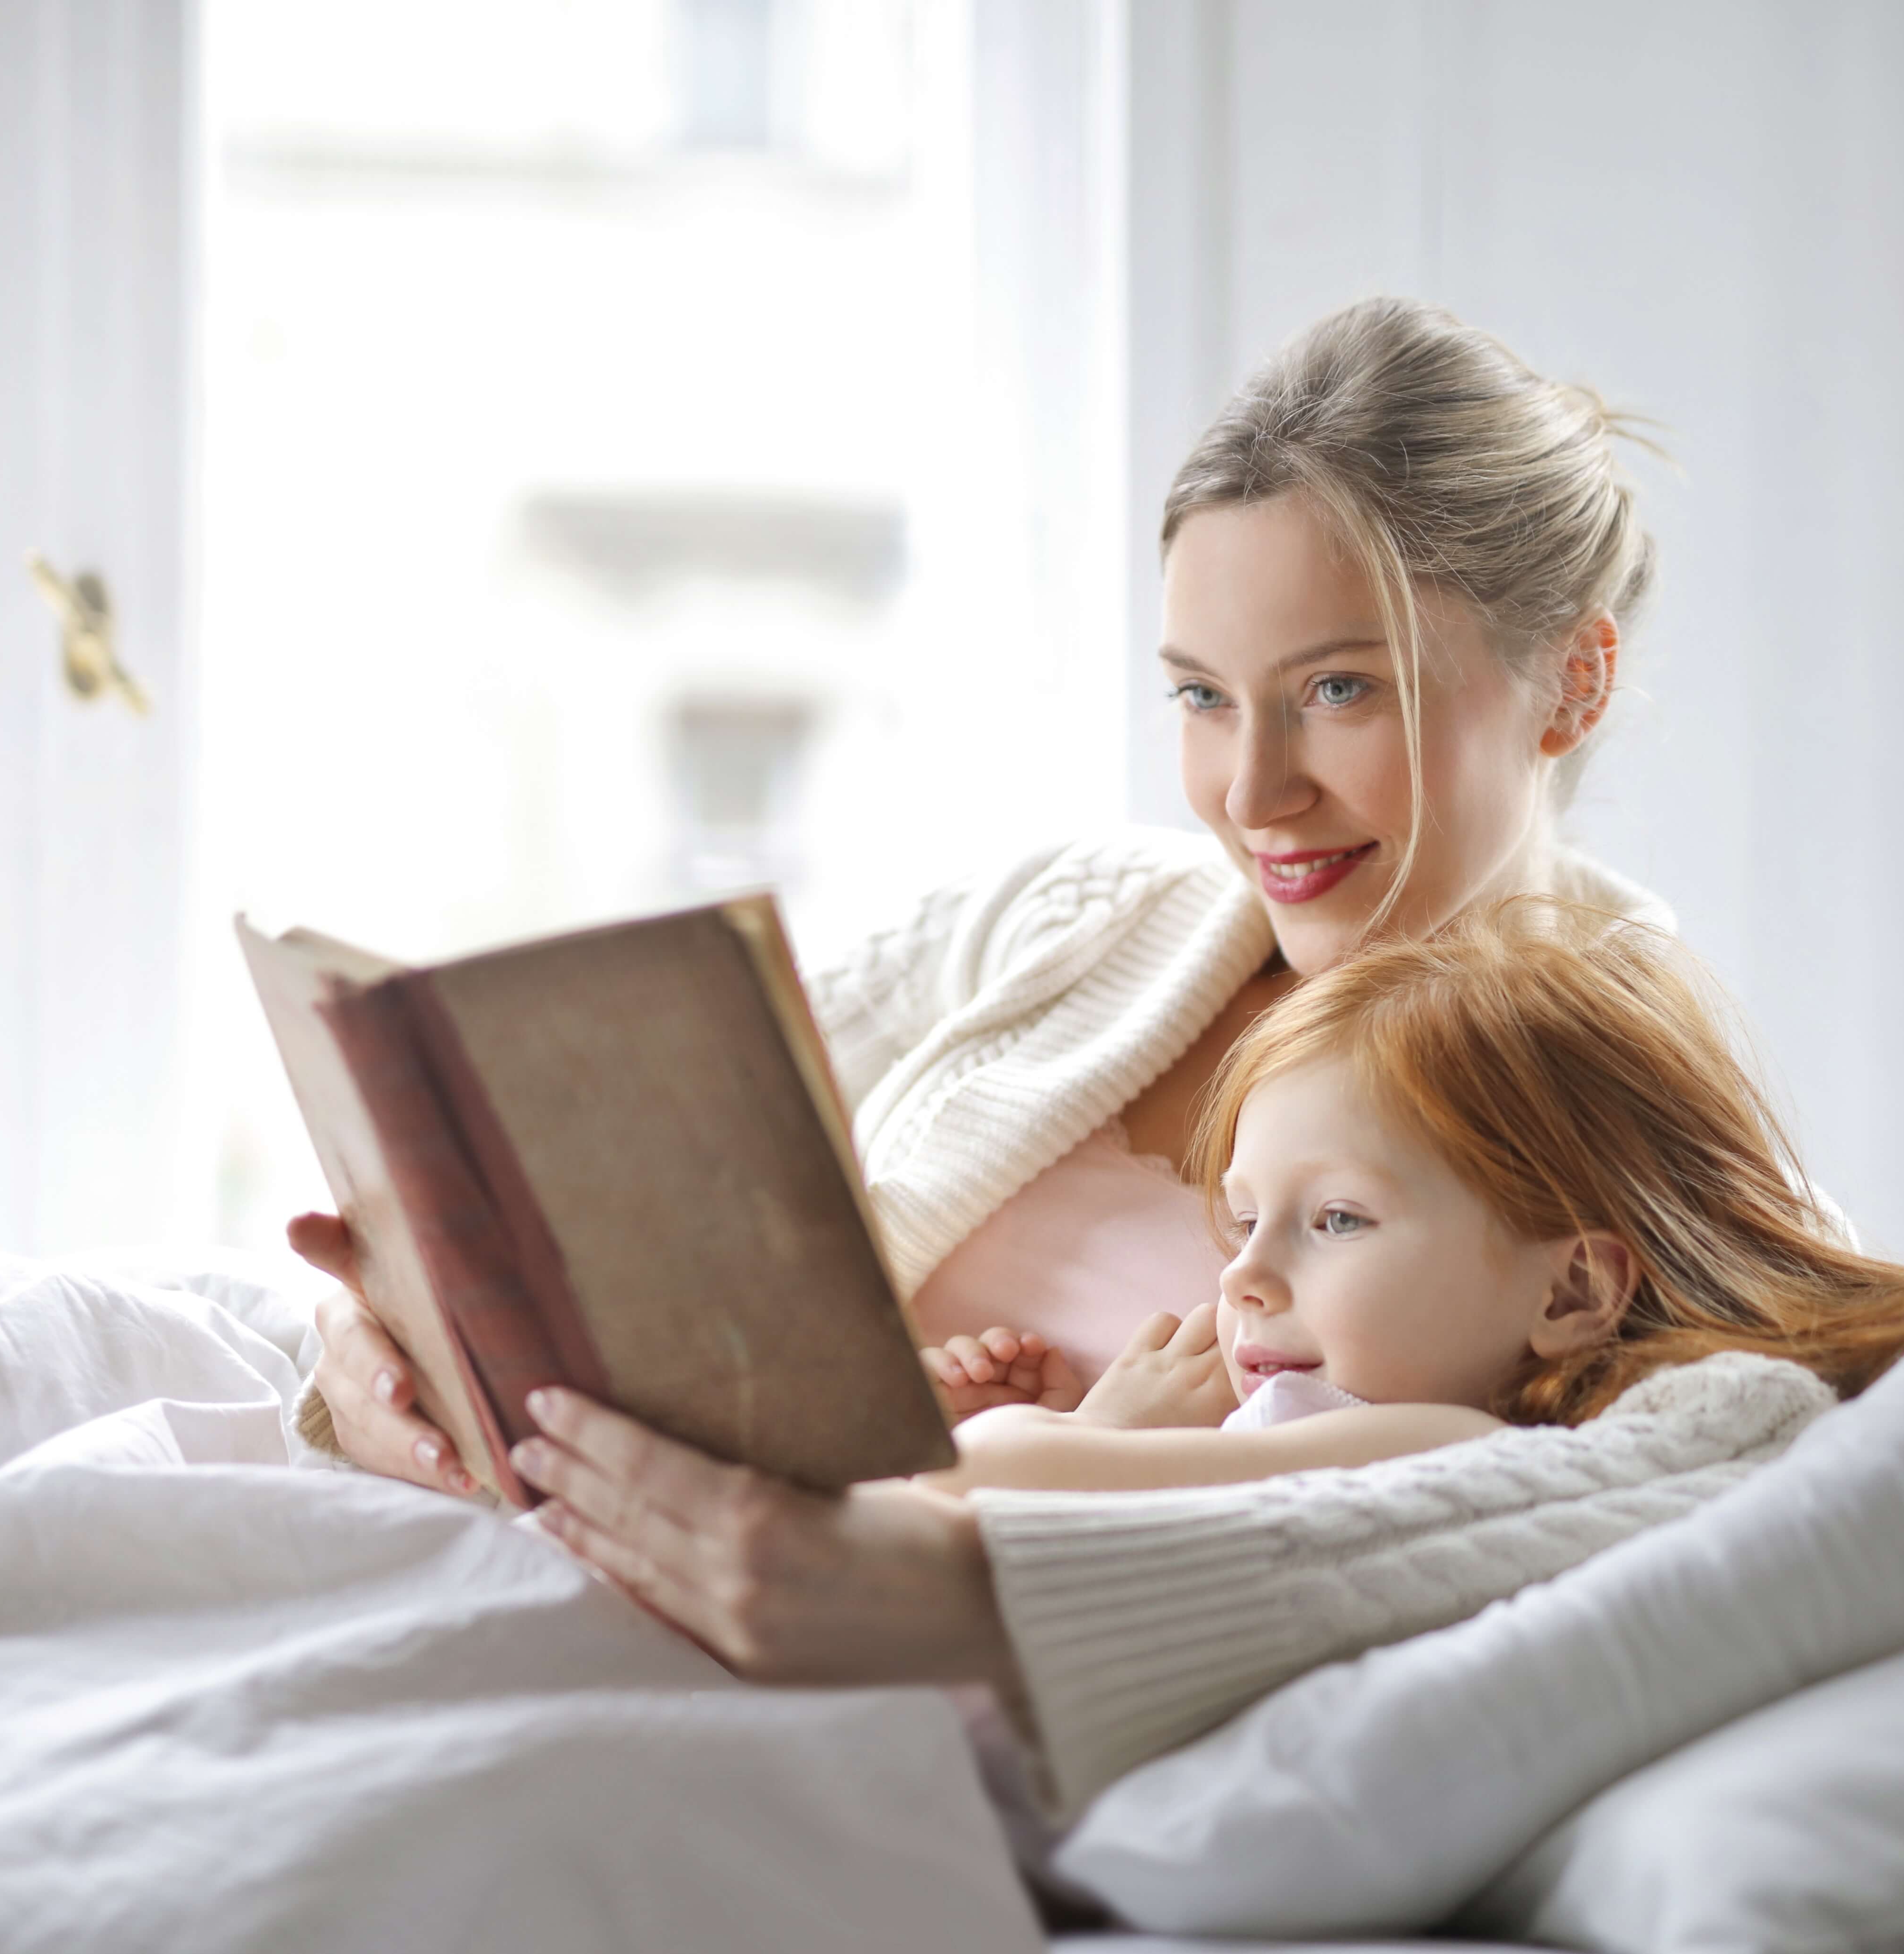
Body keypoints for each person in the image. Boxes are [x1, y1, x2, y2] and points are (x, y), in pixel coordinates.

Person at [284, 296, 1813, 1808]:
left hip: (870, 1745)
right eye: (1205, 700)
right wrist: (382, 1351)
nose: (1252, 791)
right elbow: (595, 1190)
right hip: (581, 1605)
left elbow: (1759, 1475)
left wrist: (962, 1580)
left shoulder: (1629, 1089)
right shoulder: (1085, 913)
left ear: (1578, 681)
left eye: (1342, 690)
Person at [905, 904, 1904, 1506]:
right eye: (1244, 1216)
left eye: (1337, 1222)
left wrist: (1090, 1434)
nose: (1241, 1279)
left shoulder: (1440, 1445)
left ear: (1571, 1288)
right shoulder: (1317, 1428)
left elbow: (995, 1487)